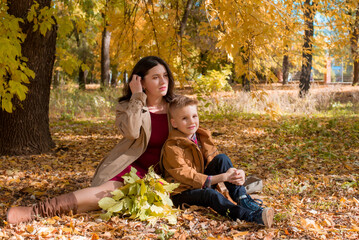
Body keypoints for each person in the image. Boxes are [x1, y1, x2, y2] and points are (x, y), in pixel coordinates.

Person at [7, 56, 176, 224]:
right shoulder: (127, 107)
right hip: (132, 169)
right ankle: (35, 212)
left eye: (165, 75)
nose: (163, 81)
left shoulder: (176, 107)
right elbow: (132, 132)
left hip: (163, 175)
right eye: (155, 77)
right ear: (141, 82)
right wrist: (138, 97)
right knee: (101, 196)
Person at [160, 95, 274, 227]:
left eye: (194, 116)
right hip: (182, 193)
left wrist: (236, 174)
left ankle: (242, 199)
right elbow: (187, 176)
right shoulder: (172, 147)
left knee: (222, 159)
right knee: (210, 194)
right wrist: (222, 177)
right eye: (184, 118)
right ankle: (251, 216)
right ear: (174, 123)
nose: (191, 121)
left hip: (200, 184)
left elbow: (216, 163)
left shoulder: (201, 137)